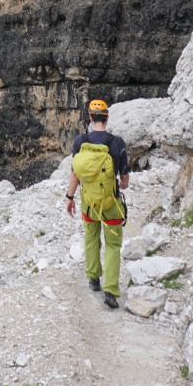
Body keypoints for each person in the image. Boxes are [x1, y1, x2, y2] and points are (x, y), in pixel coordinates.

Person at [65, 98, 129, 308]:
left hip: (89, 202)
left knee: (91, 238)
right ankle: (110, 291)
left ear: (90, 118)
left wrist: (70, 198)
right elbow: (125, 178)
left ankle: (93, 279)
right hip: (111, 204)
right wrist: (121, 183)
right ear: (106, 118)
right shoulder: (117, 143)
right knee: (113, 245)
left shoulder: (80, 141)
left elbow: (75, 173)